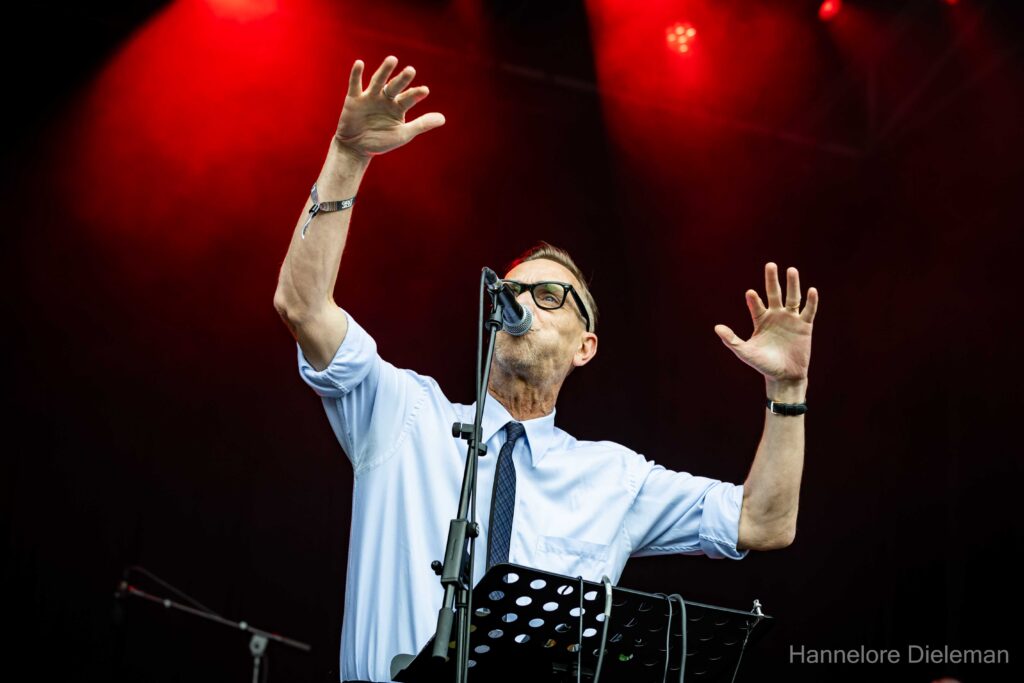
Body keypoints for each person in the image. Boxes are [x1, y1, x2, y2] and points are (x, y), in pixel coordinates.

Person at [273, 56, 819, 683]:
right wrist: (347, 155)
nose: (524, 303)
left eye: (550, 296)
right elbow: (303, 307)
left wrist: (788, 389)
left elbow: (763, 521)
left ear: (585, 346)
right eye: (512, 291)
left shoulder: (614, 478)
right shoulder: (404, 415)